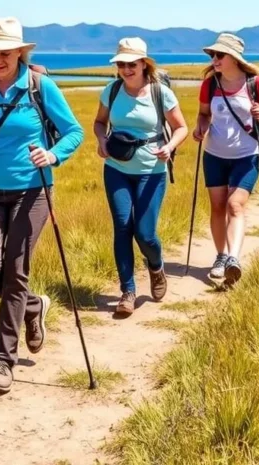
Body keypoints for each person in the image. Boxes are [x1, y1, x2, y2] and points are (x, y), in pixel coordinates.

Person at [0, 17, 84, 394]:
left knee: (14, 271)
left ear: (19, 53)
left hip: (33, 191)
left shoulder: (40, 87)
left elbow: (73, 131)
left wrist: (53, 155)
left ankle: (2, 362)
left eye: (5, 52)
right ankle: (32, 307)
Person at [94, 38, 188, 316]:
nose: (125, 69)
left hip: (152, 172)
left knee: (145, 234)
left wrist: (170, 147)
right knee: (122, 226)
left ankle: (156, 268)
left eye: (131, 64)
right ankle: (128, 291)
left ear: (144, 64)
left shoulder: (161, 93)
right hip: (116, 170)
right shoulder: (111, 91)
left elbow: (181, 127)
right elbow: (100, 123)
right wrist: (102, 141)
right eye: (121, 64)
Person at [192, 33, 259, 286]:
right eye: (213, 55)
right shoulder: (210, 84)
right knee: (218, 207)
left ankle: (234, 258)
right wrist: (200, 128)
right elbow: (203, 114)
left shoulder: (256, 83)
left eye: (219, 55)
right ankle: (221, 257)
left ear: (233, 57)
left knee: (235, 205)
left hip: (247, 155)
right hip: (214, 155)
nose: (215, 59)